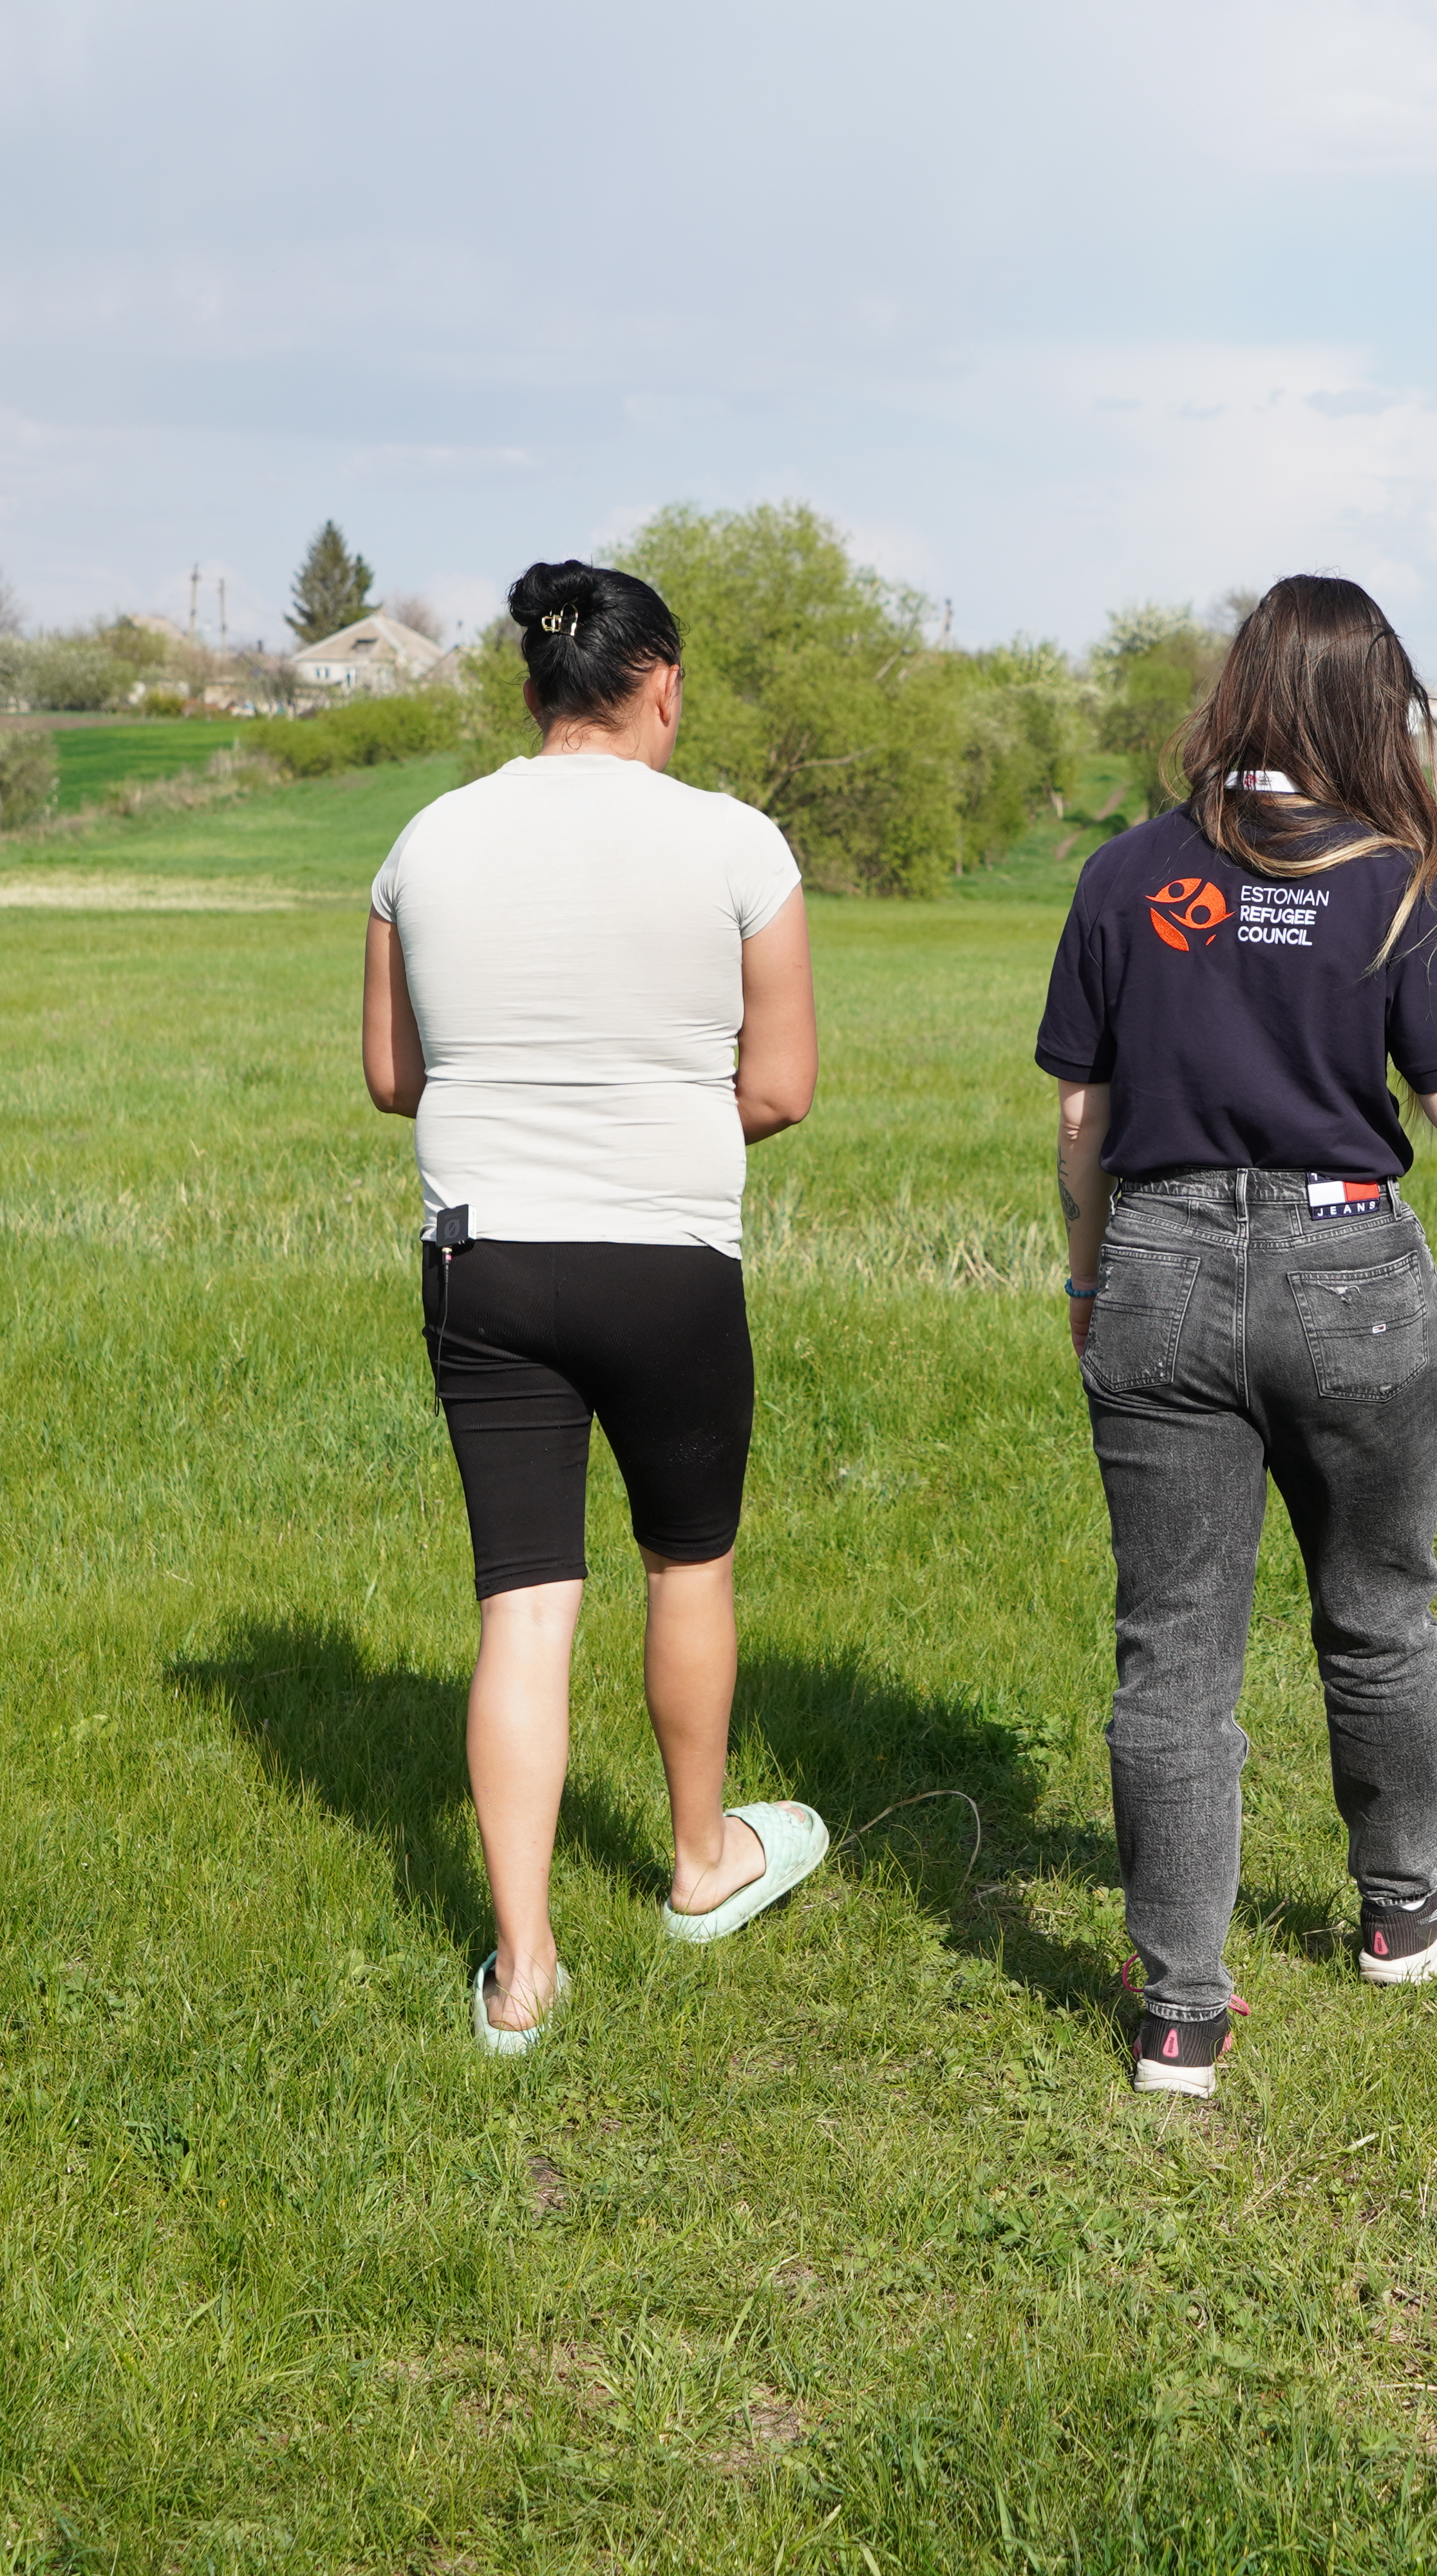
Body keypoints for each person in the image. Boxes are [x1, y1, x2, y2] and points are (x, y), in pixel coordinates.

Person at [1033, 573, 1437, 2098]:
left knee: (1172, 1649)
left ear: (1242, 692)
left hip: (1163, 1259)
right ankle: (1400, 1904)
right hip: (1347, 1258)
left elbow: (1080, 1115)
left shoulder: (1126, 873)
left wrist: (1088, 1277)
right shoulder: (1399, 881)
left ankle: (1180, 2010)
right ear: (1374, 709)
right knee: (1378, 1608)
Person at [362, 558, 831, 2054]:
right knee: (686, 1563)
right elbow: (781, 1087)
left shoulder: (424, 841)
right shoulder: (738, 845)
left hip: (485, 1257)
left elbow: (394, 1080)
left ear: (529, 693)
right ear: (664, 685)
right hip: (671, 1258)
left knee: (525, 1598)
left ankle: (521, 1971)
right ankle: (700, 1863)